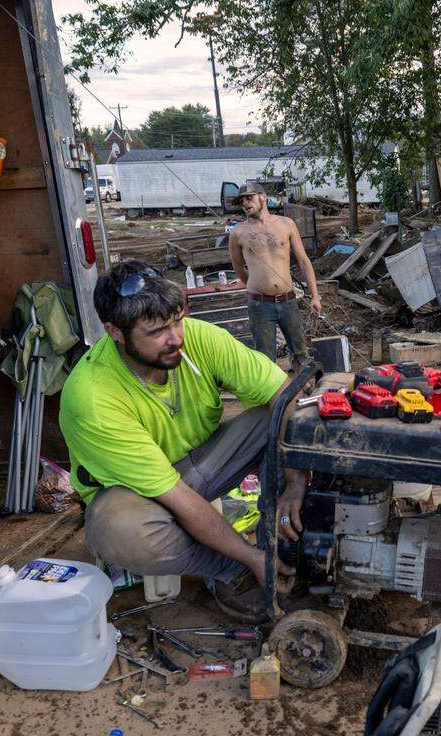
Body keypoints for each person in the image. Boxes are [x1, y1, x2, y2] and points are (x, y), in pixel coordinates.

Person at [58, 261, 310, 622]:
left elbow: (284, 394)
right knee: (120, 532)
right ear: (114, 331)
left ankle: (279, 543)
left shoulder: (197, 337)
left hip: (201, 464)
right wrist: (248, 558)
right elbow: (176, 495)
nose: (176, 337)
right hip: (142, 498)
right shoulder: (93, 397)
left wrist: (295, 484)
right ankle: (230, 569)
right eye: (158, 331)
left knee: (283, 415)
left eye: (177, 320)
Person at [228, 181, 320, 372]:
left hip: (288, 301)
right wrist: (257, 286)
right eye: (241, 201)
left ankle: (304, 393)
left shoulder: (286, 224)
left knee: (301, 354)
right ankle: (274, 400)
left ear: (262, 197)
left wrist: (315, 296)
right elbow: (238, 267)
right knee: (266, 360)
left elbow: (303, 261)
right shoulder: (238, 232)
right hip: (259, 304)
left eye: (249, 198)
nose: (245, 203)